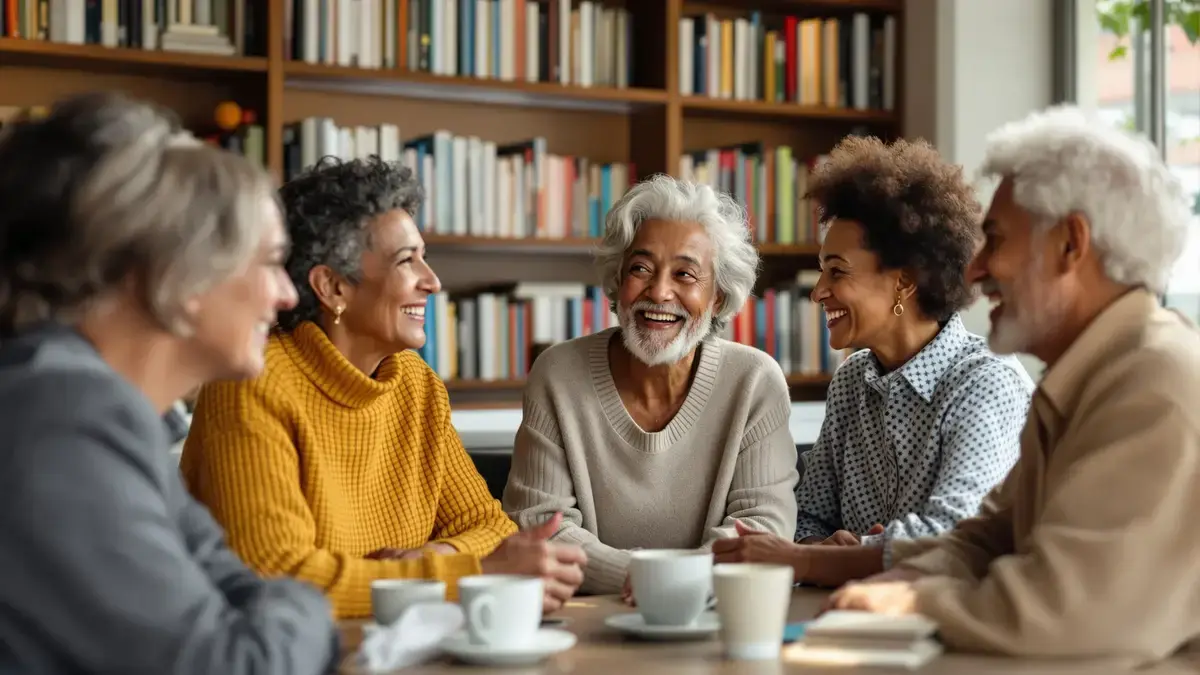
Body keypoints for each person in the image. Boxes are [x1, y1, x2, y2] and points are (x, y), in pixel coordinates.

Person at [825, 106, 1200, 666]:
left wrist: (911, 599)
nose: (973, 271)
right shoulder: (1090, 377)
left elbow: (1066, 611)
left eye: (994, 240)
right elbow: (985, 538)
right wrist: (903, 570)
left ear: (1071, 244)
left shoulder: (1154, 382)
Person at [0, 92, 337, 673]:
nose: (286, 294)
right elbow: (237, 663)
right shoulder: (62, 417)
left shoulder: (111, 414)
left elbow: (235, 590)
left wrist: (281, 610)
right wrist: (307, 604)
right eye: (269, 261)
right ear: (179, 276)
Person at [181, 156, 586, 619]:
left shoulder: (416, 385)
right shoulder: (250, 385)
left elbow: (490, 527)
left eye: (424, 257)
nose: (432, 282)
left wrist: (428, 559)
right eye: (405, 260)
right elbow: (280, 576)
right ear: (332, 287)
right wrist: (468, 573)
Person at [712, 136, 1034, 588]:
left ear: (903, 282)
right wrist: (828, 551)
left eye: (837, 271)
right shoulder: (851, 382)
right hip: (854, 622)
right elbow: (808, 516)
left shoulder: (987, 382)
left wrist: (823, 561)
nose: (818, 290)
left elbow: (953, 535)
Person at [501, 174, 800, 596]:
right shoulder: (557, 374)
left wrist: (663, 586)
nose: (659, 292)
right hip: (586, 622)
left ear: (716, 297)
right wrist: (644, 579)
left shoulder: (754, 383)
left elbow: (762, 531)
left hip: (714, 617)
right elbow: (541, 527)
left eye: (685, 274)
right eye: (641, 269)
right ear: (618, 280)